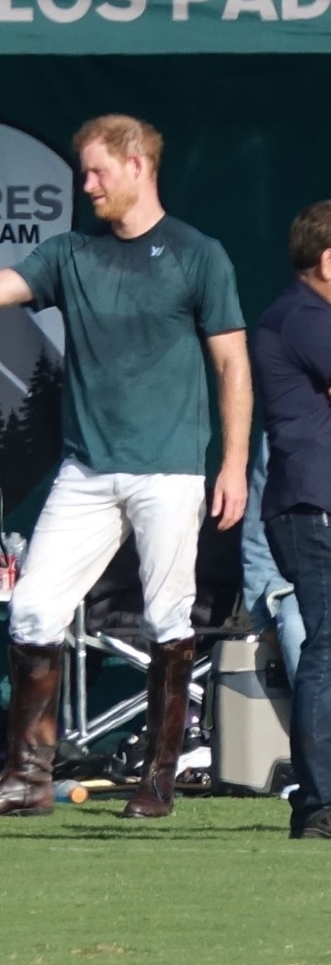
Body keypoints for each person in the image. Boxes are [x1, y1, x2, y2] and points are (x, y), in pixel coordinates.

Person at [0, 114, 251, 819]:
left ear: (139, 164)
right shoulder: (70, 255)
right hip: (86, 471)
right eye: (84, 172)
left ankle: (159, 778)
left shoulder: (198, 255)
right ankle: (26, 778)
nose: (86, 185)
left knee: (168, 616)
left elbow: (232, 363)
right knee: (33, 610)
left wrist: (232, 462)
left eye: (96, 172)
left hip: (169, 469)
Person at [252, 200, 331, 839]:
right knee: (326, 650)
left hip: (311, 501)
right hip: (313, 505)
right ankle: (320, 803)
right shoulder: (304, 317)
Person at [241, 434, 304, 688]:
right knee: (295, 625)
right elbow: (257, 531)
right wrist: (263, 618)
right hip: (305, 582)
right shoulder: (286, 427)